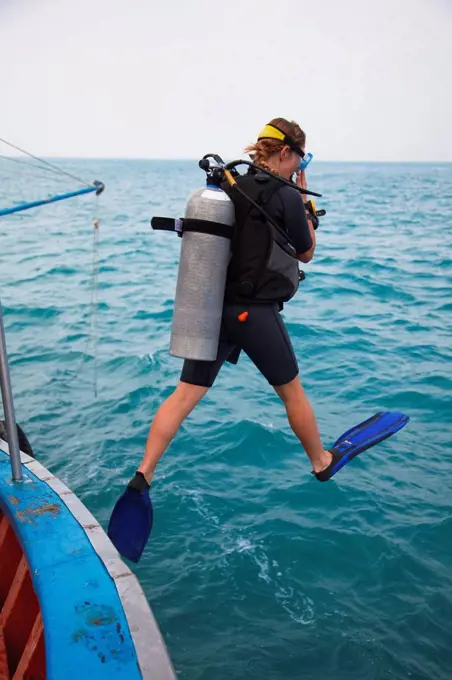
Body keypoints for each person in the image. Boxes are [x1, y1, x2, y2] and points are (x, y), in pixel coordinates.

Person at [129, 117, 336, 494]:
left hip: (213, 308)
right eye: (300, 163)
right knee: (292, 392)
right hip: (253, 312)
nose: (299, 171)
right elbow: (306, 253)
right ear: (287, 152)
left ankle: (144, 472)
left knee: (184, 394)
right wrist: (305, 201)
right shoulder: (286, 195)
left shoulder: (229, 185)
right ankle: (321, 461)